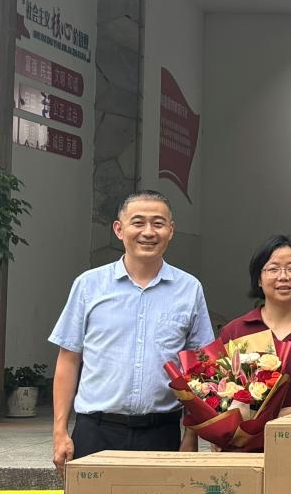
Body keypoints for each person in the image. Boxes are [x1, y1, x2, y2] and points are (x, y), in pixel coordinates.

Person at [49, 190, 214, 468]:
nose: (148, 232)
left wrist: (191, 435)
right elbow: (69, 359)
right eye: (138, 222)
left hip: (162, 432)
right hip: (96, 431)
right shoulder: (89, 285)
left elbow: (199, 368)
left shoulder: (189, 289)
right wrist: (59, 432)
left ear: (171, 230)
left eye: (158, 223)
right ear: (119, 229)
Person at [212, 235, 291, 433]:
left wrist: (281, 416)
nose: (283, 276)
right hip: (244, 441)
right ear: (259, 279)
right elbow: (218, 391)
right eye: (273, 269)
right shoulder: (235, 330)